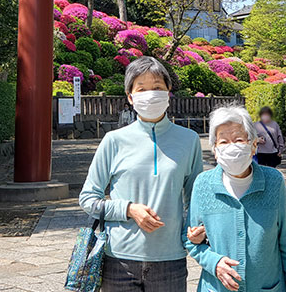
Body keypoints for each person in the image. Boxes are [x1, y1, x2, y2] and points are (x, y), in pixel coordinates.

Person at [79, 56, 204, 291]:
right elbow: (87, 199)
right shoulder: (113, 141)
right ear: (130, 96)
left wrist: (197, 231)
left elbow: (196, 200)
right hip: (119, 261)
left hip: (171, 260)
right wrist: (128, 209)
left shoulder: (189, 140)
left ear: (168, 92)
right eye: (142, 88)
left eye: (157, 87)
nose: (150, 94)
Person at [186, 106, 286, 292]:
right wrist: (214, 263)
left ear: (253, 145)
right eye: (223, 141)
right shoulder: (203, 184)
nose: (232, 147)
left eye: (239, 140)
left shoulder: (274, 181)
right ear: (215, 150)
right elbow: (189, 239)